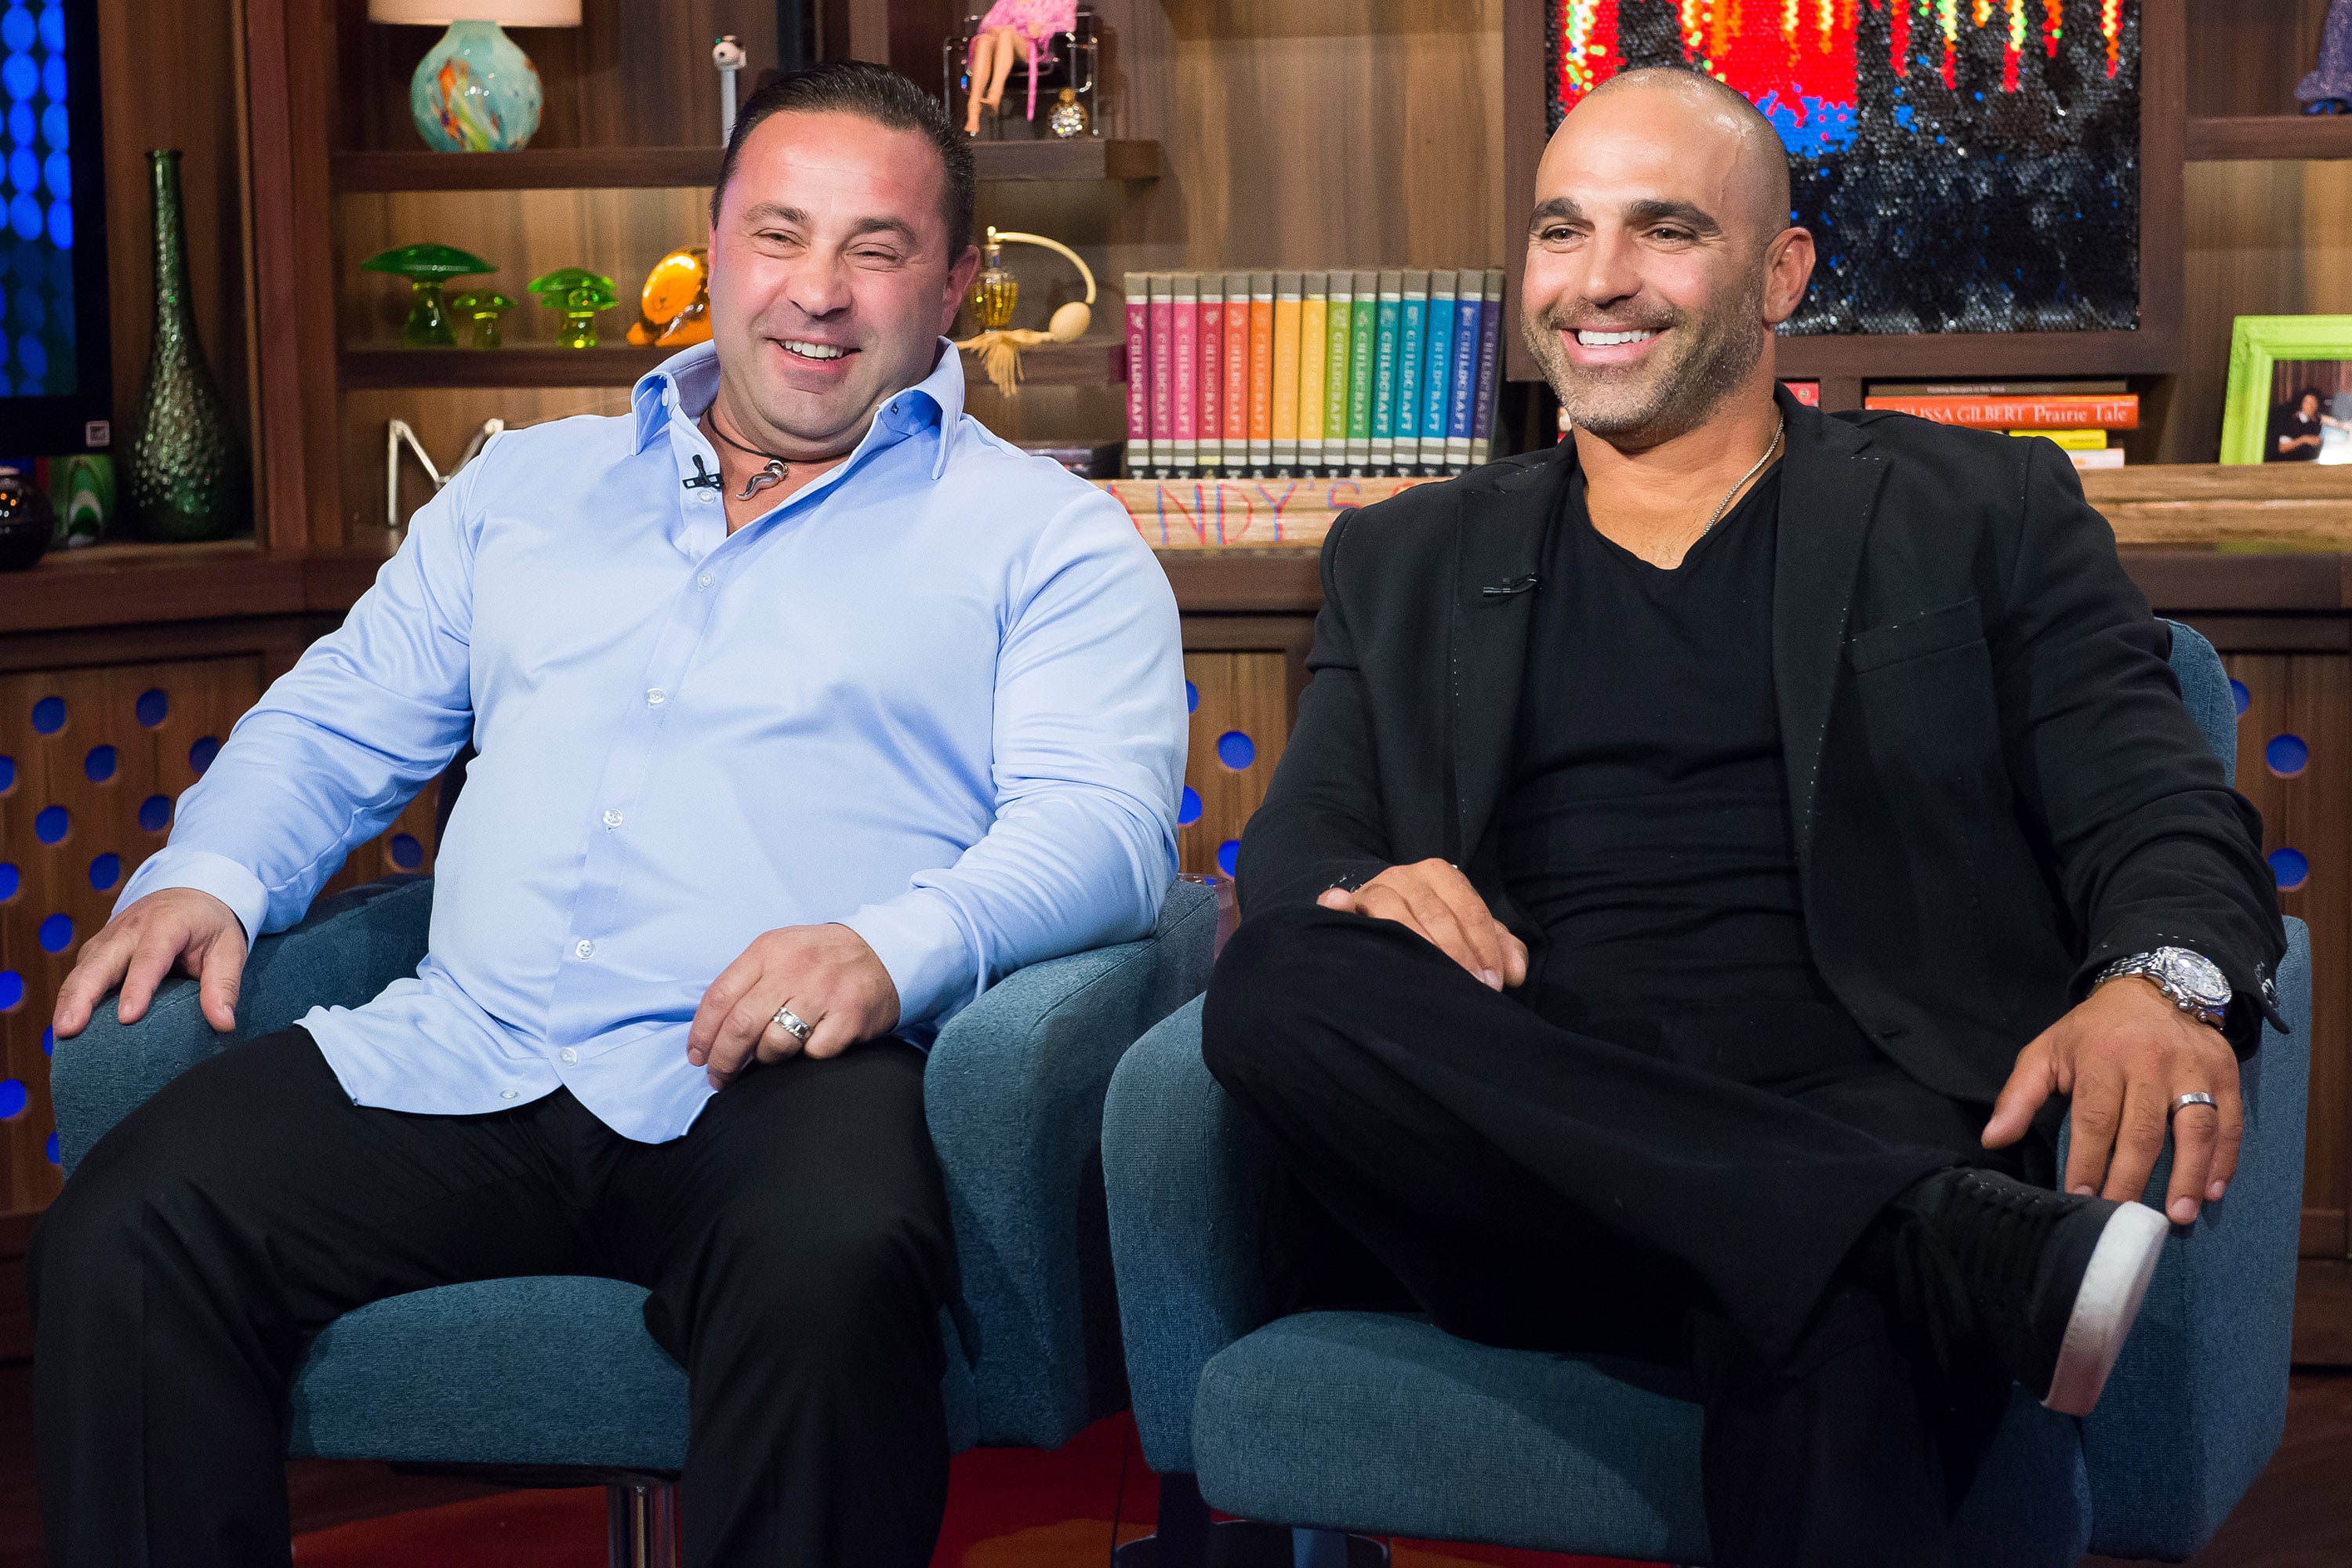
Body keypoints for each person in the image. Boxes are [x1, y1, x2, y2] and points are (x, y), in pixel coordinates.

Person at [32, 61, 1183, 1568]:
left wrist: (890, 947)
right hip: (472, 1047)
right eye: (779, 235)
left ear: (957, 281)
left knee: (834, 1262)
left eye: (877, 248)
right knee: (131, 1227)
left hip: (786, 1076)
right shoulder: (522, 488)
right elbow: (339, 716)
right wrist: (215, 868)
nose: (817, 292)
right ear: (713, 247)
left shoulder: (1047, 538)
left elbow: (1108, 828)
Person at [1200, 66, 2285, 1568]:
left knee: (1833, 1310)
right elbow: (1301, 843)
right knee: (1277, 974)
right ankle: (1929, 1238)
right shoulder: (1410, 557)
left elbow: (2152, 796)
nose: (1599, 280)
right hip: (1524, 1128)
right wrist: (1360, 886)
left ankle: (1869, 1234)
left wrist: (2159, 983)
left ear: (1782, 274)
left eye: (1665, 231)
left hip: (1864, 1087)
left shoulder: (1982, 508)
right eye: (1562, 230)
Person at [2268, 387, 2326, 461]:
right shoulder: (2292, 421)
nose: (2310, 406)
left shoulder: (2317, 421)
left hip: (2309, 463)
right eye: (2307, 402)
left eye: (2313, 402)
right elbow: (2282, 448)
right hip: (2288, 463)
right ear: (2301, 404)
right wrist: (2303, 439)